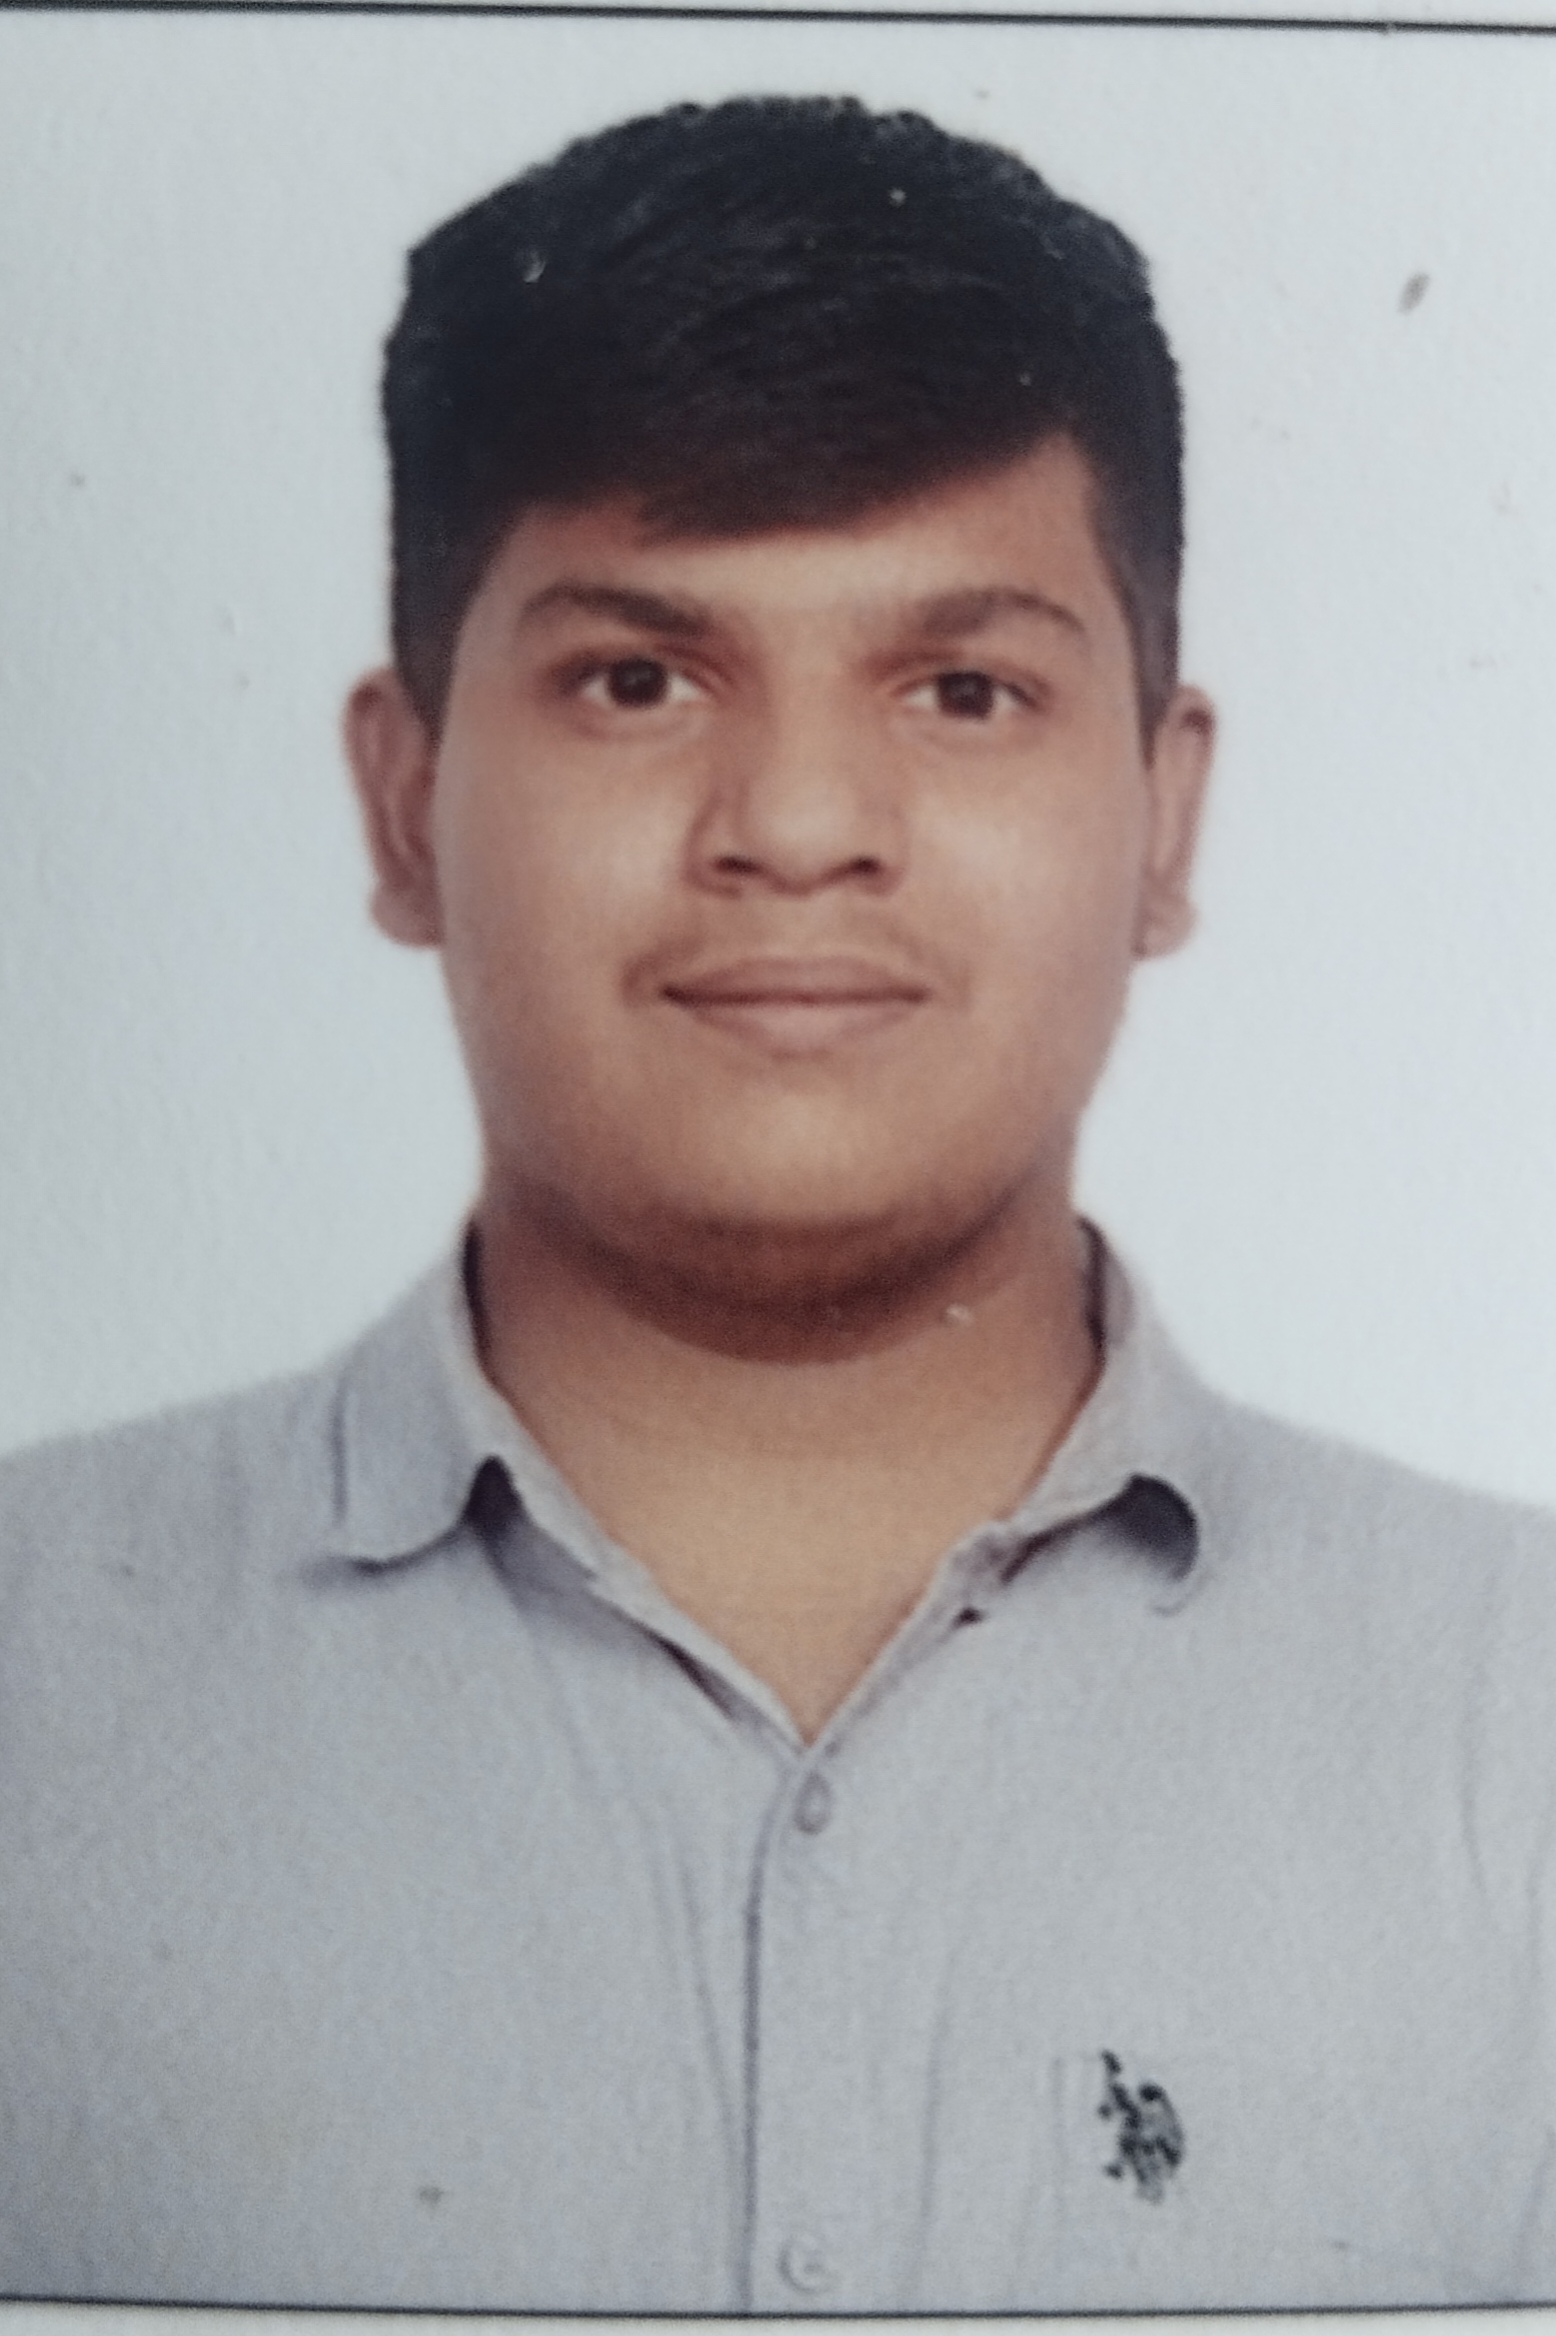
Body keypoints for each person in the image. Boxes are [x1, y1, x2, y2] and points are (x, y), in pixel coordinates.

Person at [0, 93, 1551, 2314]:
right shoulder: (33, 1673)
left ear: (1165, 813)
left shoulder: (1520, 1721)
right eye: (637, 679)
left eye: (962, 688)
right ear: (406, 799)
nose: (802, 822)